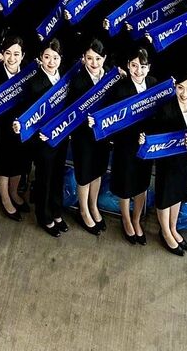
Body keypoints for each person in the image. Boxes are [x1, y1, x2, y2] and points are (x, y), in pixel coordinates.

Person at [147, 71, 187, 255]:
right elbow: (156, 133)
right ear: (175, 86)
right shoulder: (166, 108)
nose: (184, 94)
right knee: (165, 196)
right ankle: (165, 232)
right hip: (167, 161)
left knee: (177, 193)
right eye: (180, 88)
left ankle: (172, 227)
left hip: (185, 160)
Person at [20, 38, 68, 238]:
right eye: (47, 57)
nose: (51, 62)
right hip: (43, 141)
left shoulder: (64, 78)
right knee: (44, 179)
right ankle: (44, 216)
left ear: (61, 58)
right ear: (40, 58)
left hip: (61, 137)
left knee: (57, 176)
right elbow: (28, 116)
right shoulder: (34, 83)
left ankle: (56, 211)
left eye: (55, 57)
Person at [106, 47, 155, 245]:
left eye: (142, 66)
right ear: (128, 65)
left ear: (148, 67)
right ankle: (126, 218)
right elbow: (113, 120)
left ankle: (136, 219)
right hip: (125, 144)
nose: (138, 71)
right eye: (134, 66)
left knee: (142, 182)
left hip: (145, 145)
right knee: (125, 182)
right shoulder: (121, 88)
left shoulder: (153, 84)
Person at [68, 38, 111, 235]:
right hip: (83, 136)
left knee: (98, 171)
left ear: (104, 58)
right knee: (85, 174)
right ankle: (83, 210)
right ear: (83, 58)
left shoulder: (110, 76)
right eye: (90, 58)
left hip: (101, 135)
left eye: (98, 58)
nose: (94, 63)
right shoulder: (78, 80)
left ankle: (93, 206)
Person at [0, 34, 30, 222]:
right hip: (3, 127)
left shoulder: (29, 73)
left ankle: (14, 192)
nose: (12, 58)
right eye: (8, 53)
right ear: (3, 54)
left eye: (16, 54)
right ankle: (5, 198)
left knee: (19, 162)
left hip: (22, 127)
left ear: (22, 56)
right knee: (4, 163)